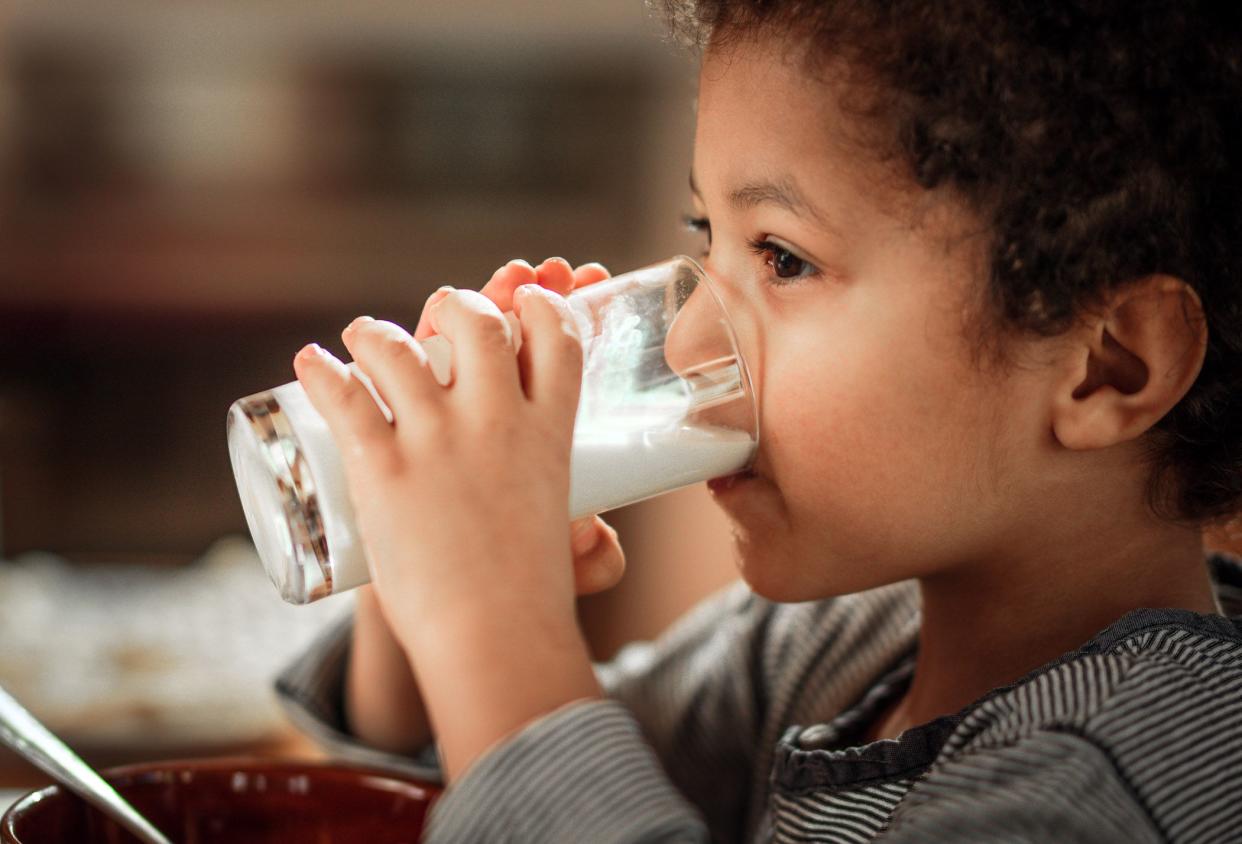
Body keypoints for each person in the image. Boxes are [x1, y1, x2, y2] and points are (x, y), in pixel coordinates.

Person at [276, 1, 1242, 841]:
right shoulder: (834, 644)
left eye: (781, 258)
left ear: (1108, 366)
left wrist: (487, 623)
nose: (691, 336)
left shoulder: (1115, 783)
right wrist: (419, 594)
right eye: (706, 237)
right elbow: (480, 793)